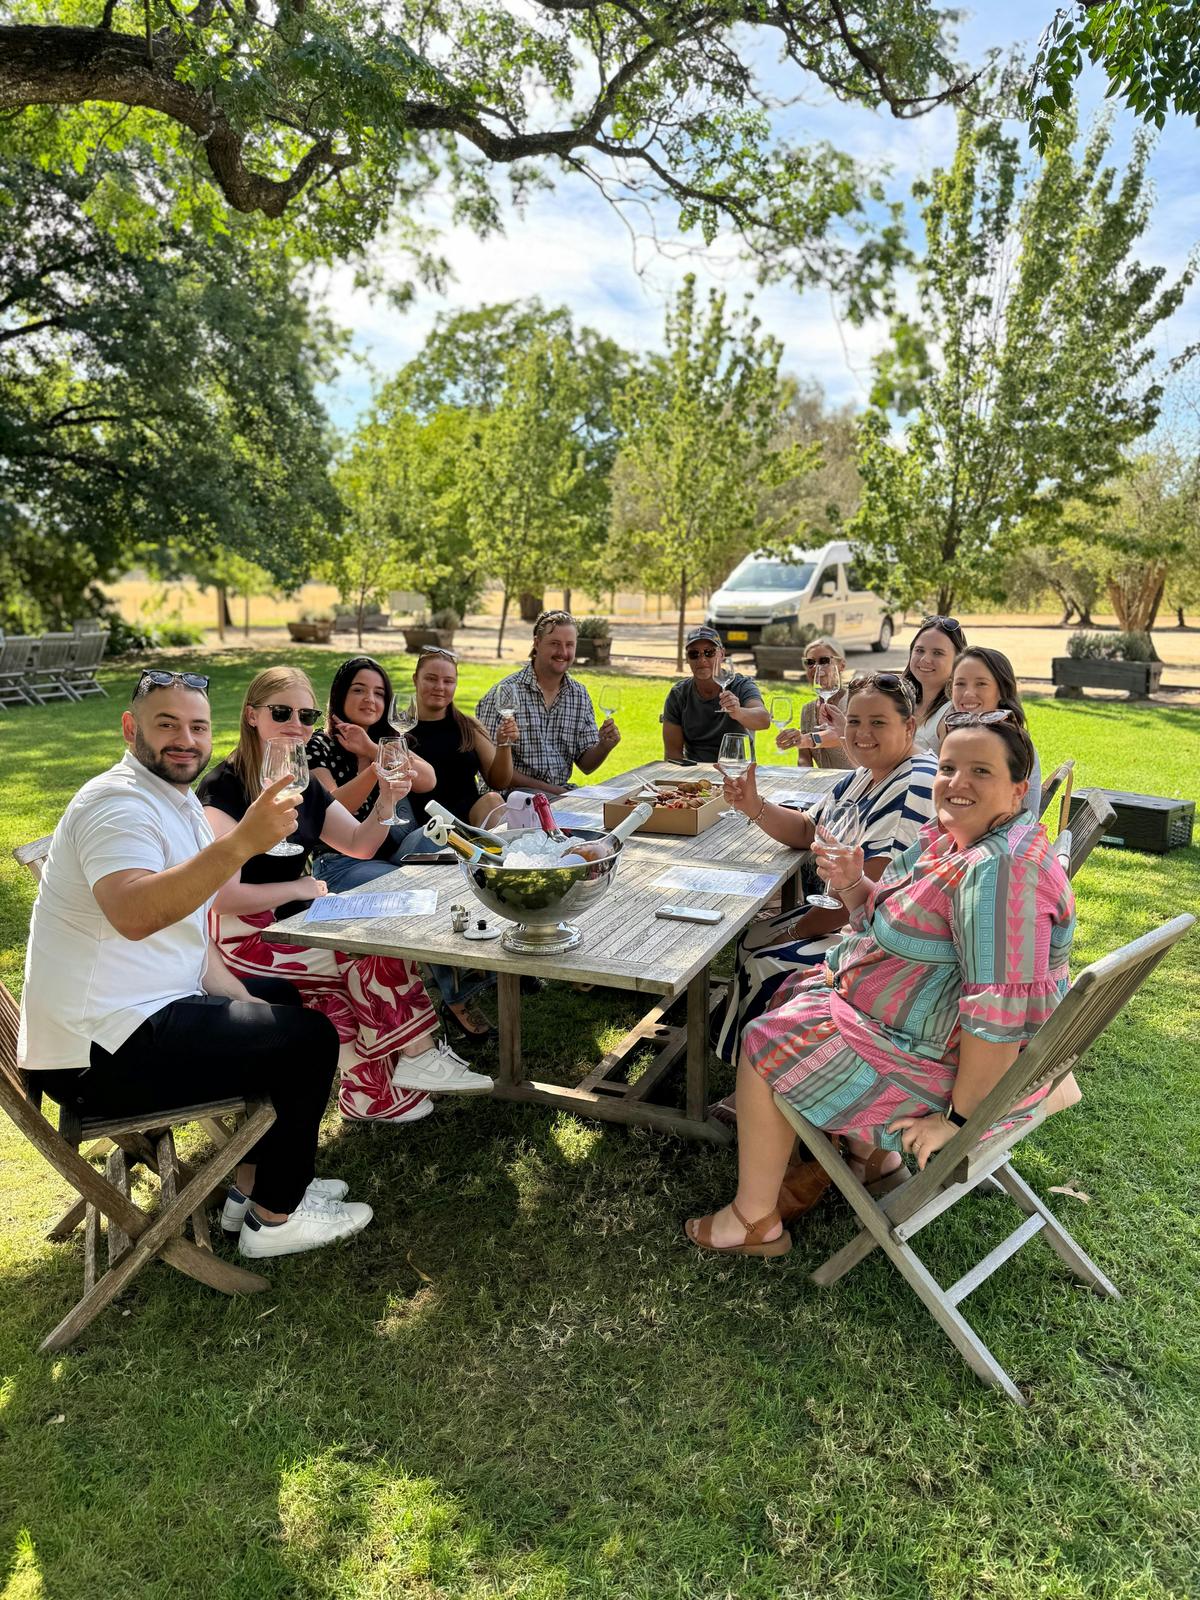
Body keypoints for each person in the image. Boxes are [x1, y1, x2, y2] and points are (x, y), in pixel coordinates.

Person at [685, 715, 1076, 1255]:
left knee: (765, 1040)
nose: (956, 783)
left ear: (1017, 789)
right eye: (948, 767)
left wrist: (958, 1121)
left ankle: (753, 1221)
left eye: (980, 771)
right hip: (914, 1030)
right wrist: (851, 883)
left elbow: (999, 1018)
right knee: (794, 990)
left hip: (941, 1071)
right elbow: (904, 922)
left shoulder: (1000, 875)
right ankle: (873, 1158)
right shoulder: (962, 842)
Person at [17, 669, 372, 1259]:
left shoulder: (172, 801)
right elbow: (133, 913)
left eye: (197, 726)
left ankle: (252, 1188)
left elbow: (193, 938)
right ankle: (277, 1220)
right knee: (307, 1040)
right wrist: (243, 842)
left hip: (134, 1017)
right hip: (96, 1054)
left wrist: (245, 1000)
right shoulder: (117, 805)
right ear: (131, 729)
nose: (185, 738)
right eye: (167, 725)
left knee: (278, 1007)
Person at [199, 667, 492, 1122]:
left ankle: (370, 1096)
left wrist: (386, 801)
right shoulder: (224, 788)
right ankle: (418, 1052)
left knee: (369, 949)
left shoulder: (301, 783)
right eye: (282, 712)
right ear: (252, 716)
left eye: (307, 715)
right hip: (241, 939)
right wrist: (299, 886)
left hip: (292, 921)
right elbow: (223, 899)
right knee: (366, 952)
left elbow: (358, 843)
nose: (296, 723)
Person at [714, 672, 937, 1069]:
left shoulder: (914, 784)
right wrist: (753, 804)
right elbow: (806, 829)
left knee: (768, 957)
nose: (861, 733)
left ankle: (766, 1076)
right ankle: (746, 1053)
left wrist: (795, 931)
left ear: (909, 726)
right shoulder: (866, 774)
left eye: (877, 723)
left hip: (884, 942)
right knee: (753, 935)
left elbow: (869, 897)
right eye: (853, 722)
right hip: (854, 917)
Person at [307, 653, 504, 1044]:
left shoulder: (388, 739)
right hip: (342, 861)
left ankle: (498, 958)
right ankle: (457, 999)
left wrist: (374, 748)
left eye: (379, 692)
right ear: (340, 695)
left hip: (397, 844)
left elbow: (428, 780)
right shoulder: (320, 745)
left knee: (466, 853)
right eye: (359, 690)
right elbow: (330, 809)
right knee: (420, 896)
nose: (370, 700)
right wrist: (374, 765)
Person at [476, 610, 620, 794]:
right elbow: (492, 770)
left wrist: (604, 746)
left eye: (570, 645)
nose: (563, 652)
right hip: (510, 798)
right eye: (555, 644)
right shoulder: (505, 693)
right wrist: (554, 791)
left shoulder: (579, 695)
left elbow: (586, 765)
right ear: (537, 643)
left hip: (559, 795)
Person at [930, 648, 1043, 818]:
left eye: (981, 683)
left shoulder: (1008, 743)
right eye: (960, 684)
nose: (968, 693)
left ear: (1002, 691)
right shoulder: (964, 737)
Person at [661, 625, 769, 763]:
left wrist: (738, 712)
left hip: (736, 771)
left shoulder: (741, 685)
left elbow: (764, 720)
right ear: (687, 658)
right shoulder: (678, 694)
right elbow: (673, 754)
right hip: (694, 772)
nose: (702, 660)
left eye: (709, 652)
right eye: (694, 654)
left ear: (722, 654)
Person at [773, 636, 852, 770]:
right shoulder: (808, 710)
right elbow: (804, 757)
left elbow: (841, 734)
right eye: (810, 662)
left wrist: (806, 739)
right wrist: (803, 779)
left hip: (855, 784)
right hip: (823, 785)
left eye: (824, 661)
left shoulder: (853, 700)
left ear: (841, 666)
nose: (816, 667)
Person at [904, 615, 967, 753]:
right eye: (919, 650)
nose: (925, 659)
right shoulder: (902, 701)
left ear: (958, 660)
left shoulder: (952, 715)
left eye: (937, 653)